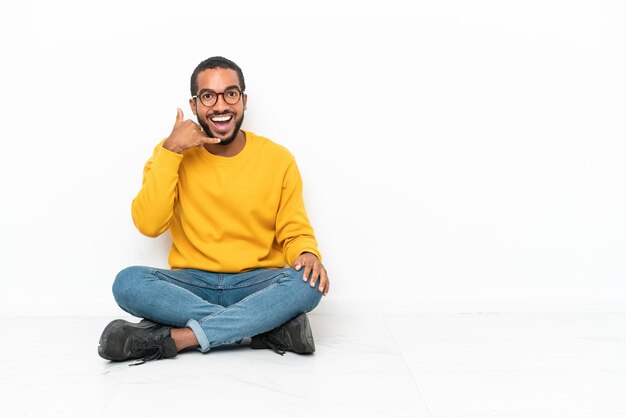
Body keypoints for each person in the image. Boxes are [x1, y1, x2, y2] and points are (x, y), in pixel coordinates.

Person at [98, 56, 329, 365]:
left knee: (307, 285)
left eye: (230, 94)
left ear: (244, 100)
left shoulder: (278, 159)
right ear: (194, 105)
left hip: (254, 283)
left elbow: (294, 229)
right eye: (208, 96)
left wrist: (307, 253)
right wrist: (171, 151)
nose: (221, 106)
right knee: (127, 283)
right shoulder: (170, 153)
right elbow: (149, 225)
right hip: (192, 285)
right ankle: (264, 328)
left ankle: (181, 339)